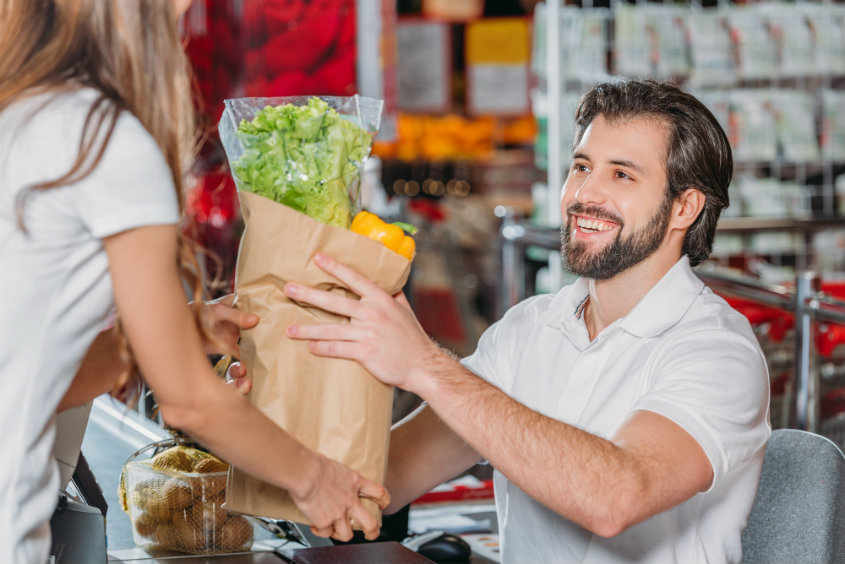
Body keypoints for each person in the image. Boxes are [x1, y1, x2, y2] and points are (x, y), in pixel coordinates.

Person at [279, 80, 771, 563]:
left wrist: (424, 364)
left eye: (622, 175)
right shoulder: (531, 327)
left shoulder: (717, 350)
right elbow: (376, 484)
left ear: (684, 207)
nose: (584, 193)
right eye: (581, 167)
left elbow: (615, 498)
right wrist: (276, 402)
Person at [0, 2, 387, 563]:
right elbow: (189, 403)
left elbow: (36, 376)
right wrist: (314, 479)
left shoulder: (23, 114)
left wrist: (176, 331)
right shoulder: (105, 140)